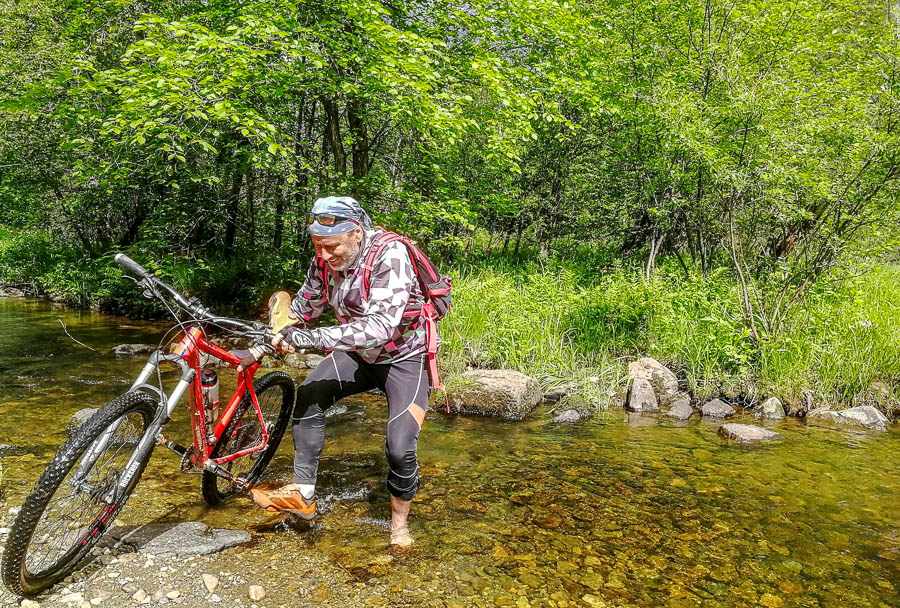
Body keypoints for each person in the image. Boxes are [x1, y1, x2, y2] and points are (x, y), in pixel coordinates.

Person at [247, 196, 432, 547]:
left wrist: (309, 339)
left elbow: (380, 326)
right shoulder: (324, 261)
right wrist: (269, 340)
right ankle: (303, 495)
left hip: (405, 356)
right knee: (310, 394)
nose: (325, 256)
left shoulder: (390, 256)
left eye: (331, 246)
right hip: (358, 355)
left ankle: (399, 526)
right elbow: (303, 308)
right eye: (318, 246)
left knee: (399, 447)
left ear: (357, 234)